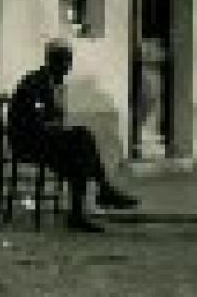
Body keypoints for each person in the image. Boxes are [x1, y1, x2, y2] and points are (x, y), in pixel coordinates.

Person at [7, 40, 137, 233]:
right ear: (53, 61)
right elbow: (33, 122)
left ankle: (81, 212)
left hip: (45, 141)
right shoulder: (35, 82)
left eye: (69, 62)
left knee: (79, 156)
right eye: (65, 62)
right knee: (82, 137)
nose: (68, 68)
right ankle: (102, 191)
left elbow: (53, 120)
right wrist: (55, 127)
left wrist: (56, 127)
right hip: (29, 143)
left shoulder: (53, 84)